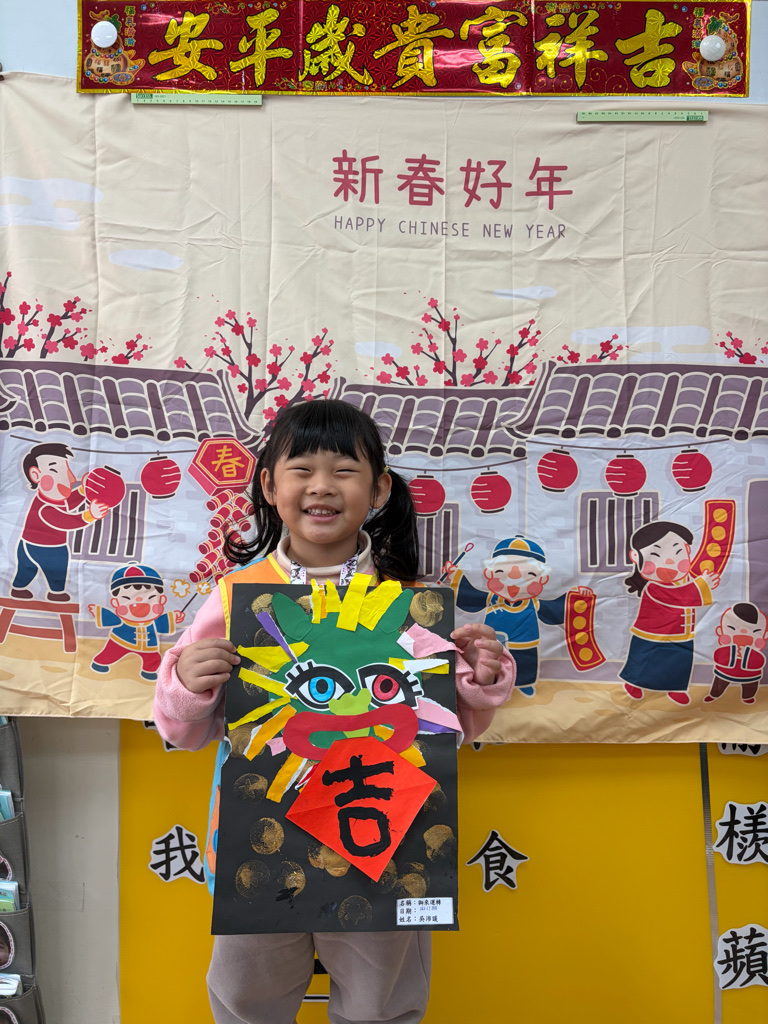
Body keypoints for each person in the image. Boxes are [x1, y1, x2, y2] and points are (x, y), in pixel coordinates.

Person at [154, 399, 516, 1024]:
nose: (321, 486)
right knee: (246, 1000)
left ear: (378, 490)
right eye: (302, 469)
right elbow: (185, 733)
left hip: (384, 839)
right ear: (270, 486)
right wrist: (187, 685)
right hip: (260, 839)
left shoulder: (407, 603)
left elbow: (446, 731)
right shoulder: (237, 598)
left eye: (344, 470)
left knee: (381, 1003)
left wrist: (478, 679)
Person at [619, 520, 720, 705]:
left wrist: (704, 583)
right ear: (636, 557)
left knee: (679, 662)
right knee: (644, 661)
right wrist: (702, 585)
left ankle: (675, 688)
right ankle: (634, 685)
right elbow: (679, 596)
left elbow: (689, 591)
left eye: (678, 552)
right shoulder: (654, 587)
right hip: (650, 635)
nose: (669, 561)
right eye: (656, 555)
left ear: (688, 551)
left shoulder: (688, 579)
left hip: (682, 634)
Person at [88, 563, 185, 681]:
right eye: (127, 599)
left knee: (152, 658)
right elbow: (111, 618)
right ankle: (100, 663)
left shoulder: (155, 622)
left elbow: (162, 623)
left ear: (162, 600)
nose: (139, 605)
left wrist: (174, 617)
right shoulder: (119, 619)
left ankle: (148, 671)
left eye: (150, 599)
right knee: (110, 653)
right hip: (121, 640)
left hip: (149, 645)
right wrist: (99, 612)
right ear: (115, 603)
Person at [705, 602, 767, 706]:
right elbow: (717, 656)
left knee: (750, 687)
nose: (743, 632)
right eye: (732, 629)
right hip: (725, 672)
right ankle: (714, 694)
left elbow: (759, 662)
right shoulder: (726, 649)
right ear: (720, 631)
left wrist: (747, 653)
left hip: (750, 675)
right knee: (719, 684)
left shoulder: (754, 653)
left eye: (755, 631)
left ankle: (748, 697)